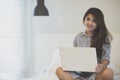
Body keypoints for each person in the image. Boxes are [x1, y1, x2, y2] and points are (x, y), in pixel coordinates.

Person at [55, 7, 114, 80]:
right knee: (59, 70)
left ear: (99, 23)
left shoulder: (104, 38)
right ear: (84, 19)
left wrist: (102, 65)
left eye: (94, 21)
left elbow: (106, 58)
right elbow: (75, 55)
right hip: (78, 73)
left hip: (95, 73)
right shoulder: (78, 37)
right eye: (88, 19)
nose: (90, 23)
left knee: (109, 73)